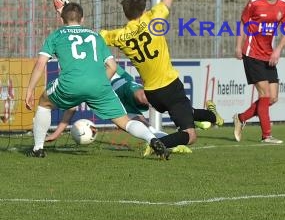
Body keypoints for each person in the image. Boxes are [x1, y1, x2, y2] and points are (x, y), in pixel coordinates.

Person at [99, 0, 224, 154]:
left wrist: (66, 17)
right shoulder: (153, 19)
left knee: (186, 111)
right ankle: (158, 144)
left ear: (126, 13)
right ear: (143, 9)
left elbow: (94, 37)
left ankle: (213, 116)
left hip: (152, 94)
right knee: (191, 135)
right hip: (170, 85)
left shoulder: (119, 35)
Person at [23, 0, 169, 159]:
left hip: (70, 84)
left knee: (45, 102)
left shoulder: (55, 36)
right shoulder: (95, 36)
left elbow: (40, 65)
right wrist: (98, 83)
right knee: (124, 121)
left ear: (61, 19)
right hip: (100, 85)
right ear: (83, 19)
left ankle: (38, 148)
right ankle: (152, 139)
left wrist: (29, 90)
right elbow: (112, 66)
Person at [45, 65, 193, 154]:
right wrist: (57, 132)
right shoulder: (76, 71)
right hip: (109, 96)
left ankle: (188, 113)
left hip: (121, 85)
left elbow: (112, 65)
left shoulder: (95, 54)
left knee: (142, 97)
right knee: (140, 124)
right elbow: (71, 107)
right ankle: (172, 144)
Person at [233, 0, 285, 144]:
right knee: (264, 94)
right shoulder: (255, 4)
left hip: (269, 55)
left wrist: (278, 49)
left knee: (272, 98)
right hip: (251, 53)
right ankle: (267, 135)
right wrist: (238, 45)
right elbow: (243, 23)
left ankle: (241, 117)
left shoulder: (284, 6)